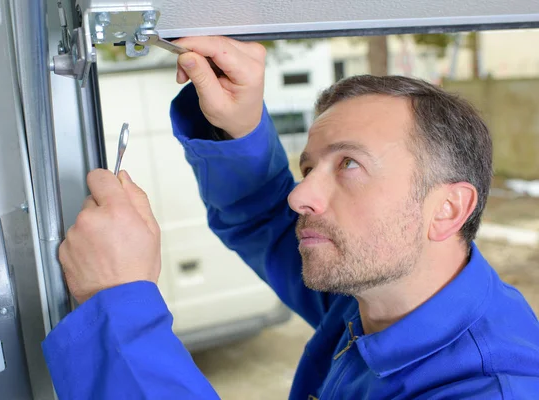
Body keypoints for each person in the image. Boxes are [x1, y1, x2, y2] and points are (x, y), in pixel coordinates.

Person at [41, 36, 539, 399]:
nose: (301, 194)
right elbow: (268, 220)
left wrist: (116, 307)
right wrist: (235, 126)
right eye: (307, 168)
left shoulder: (488, 389)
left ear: (448, 209)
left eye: (349, 164)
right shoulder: (377, 294)